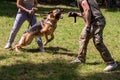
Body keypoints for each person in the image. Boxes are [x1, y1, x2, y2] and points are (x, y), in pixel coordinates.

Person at [69, 0, 117, 71]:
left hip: (97, 22)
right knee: (83, 38)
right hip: (93, 21)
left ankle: (111, 63)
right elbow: (89, 12)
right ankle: (80, 59)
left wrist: (88, 26)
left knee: (98, 42)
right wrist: (76, 14)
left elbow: (87, 9)